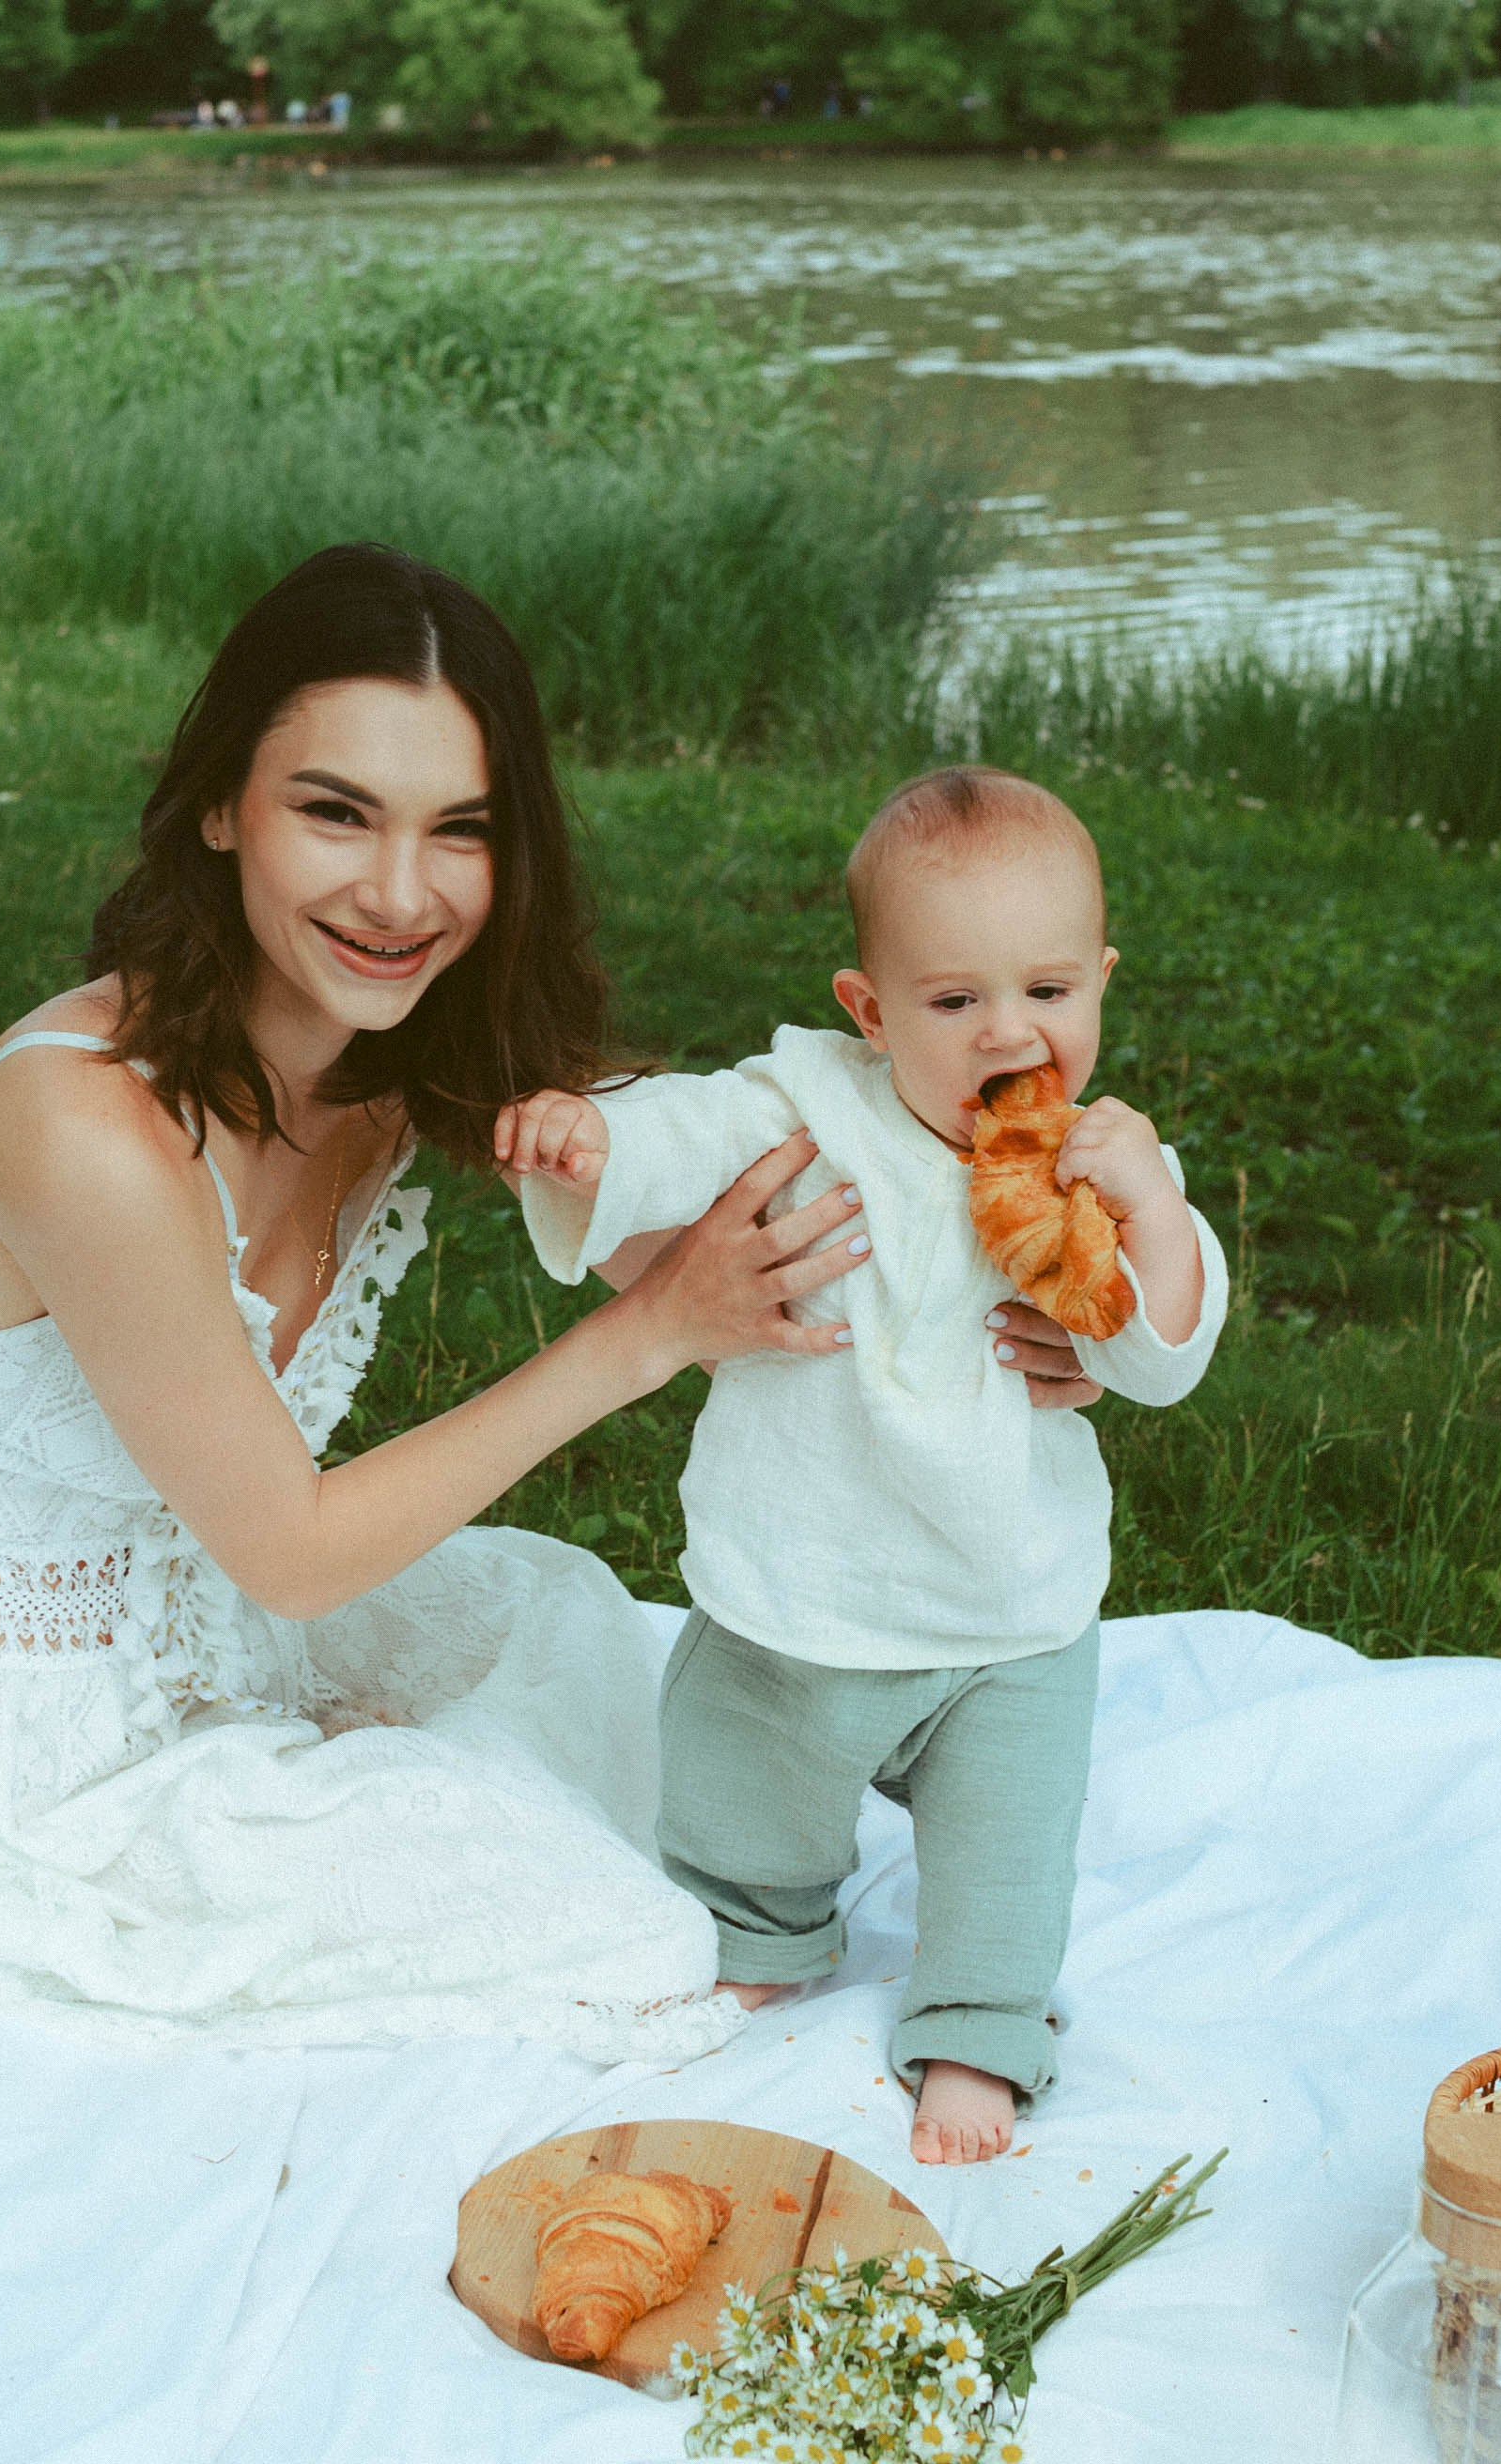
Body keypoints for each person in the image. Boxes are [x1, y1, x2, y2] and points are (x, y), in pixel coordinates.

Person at [0, 545, 871, 2064]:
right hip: (12, 1732)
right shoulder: (88, 1135)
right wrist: (649, 1337)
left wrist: (1014, 1325)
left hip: (207, 1623)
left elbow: (732, 1255)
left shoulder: (387, 1053)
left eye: (458, 830)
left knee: (569, 1628)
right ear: (222, 807)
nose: (398, 894)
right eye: (337, 812)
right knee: (623, 1928)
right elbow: (295, 1553)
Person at [497, 765, 1229, 2161]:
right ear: (871, 1010)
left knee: (1008, 1853)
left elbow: (1163, 1353)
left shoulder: (1102, 1169)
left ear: (1099, 985)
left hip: (1006, 1613)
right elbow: (690, 1128)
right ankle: (757, 1932)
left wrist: (1149, 1209)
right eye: (953, 1002)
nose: (1007, 1030)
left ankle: (979, 2020)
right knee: (736, 1786)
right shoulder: (810, 1107)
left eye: (1048, 991)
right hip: (805, 1575)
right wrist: (598, 1142)